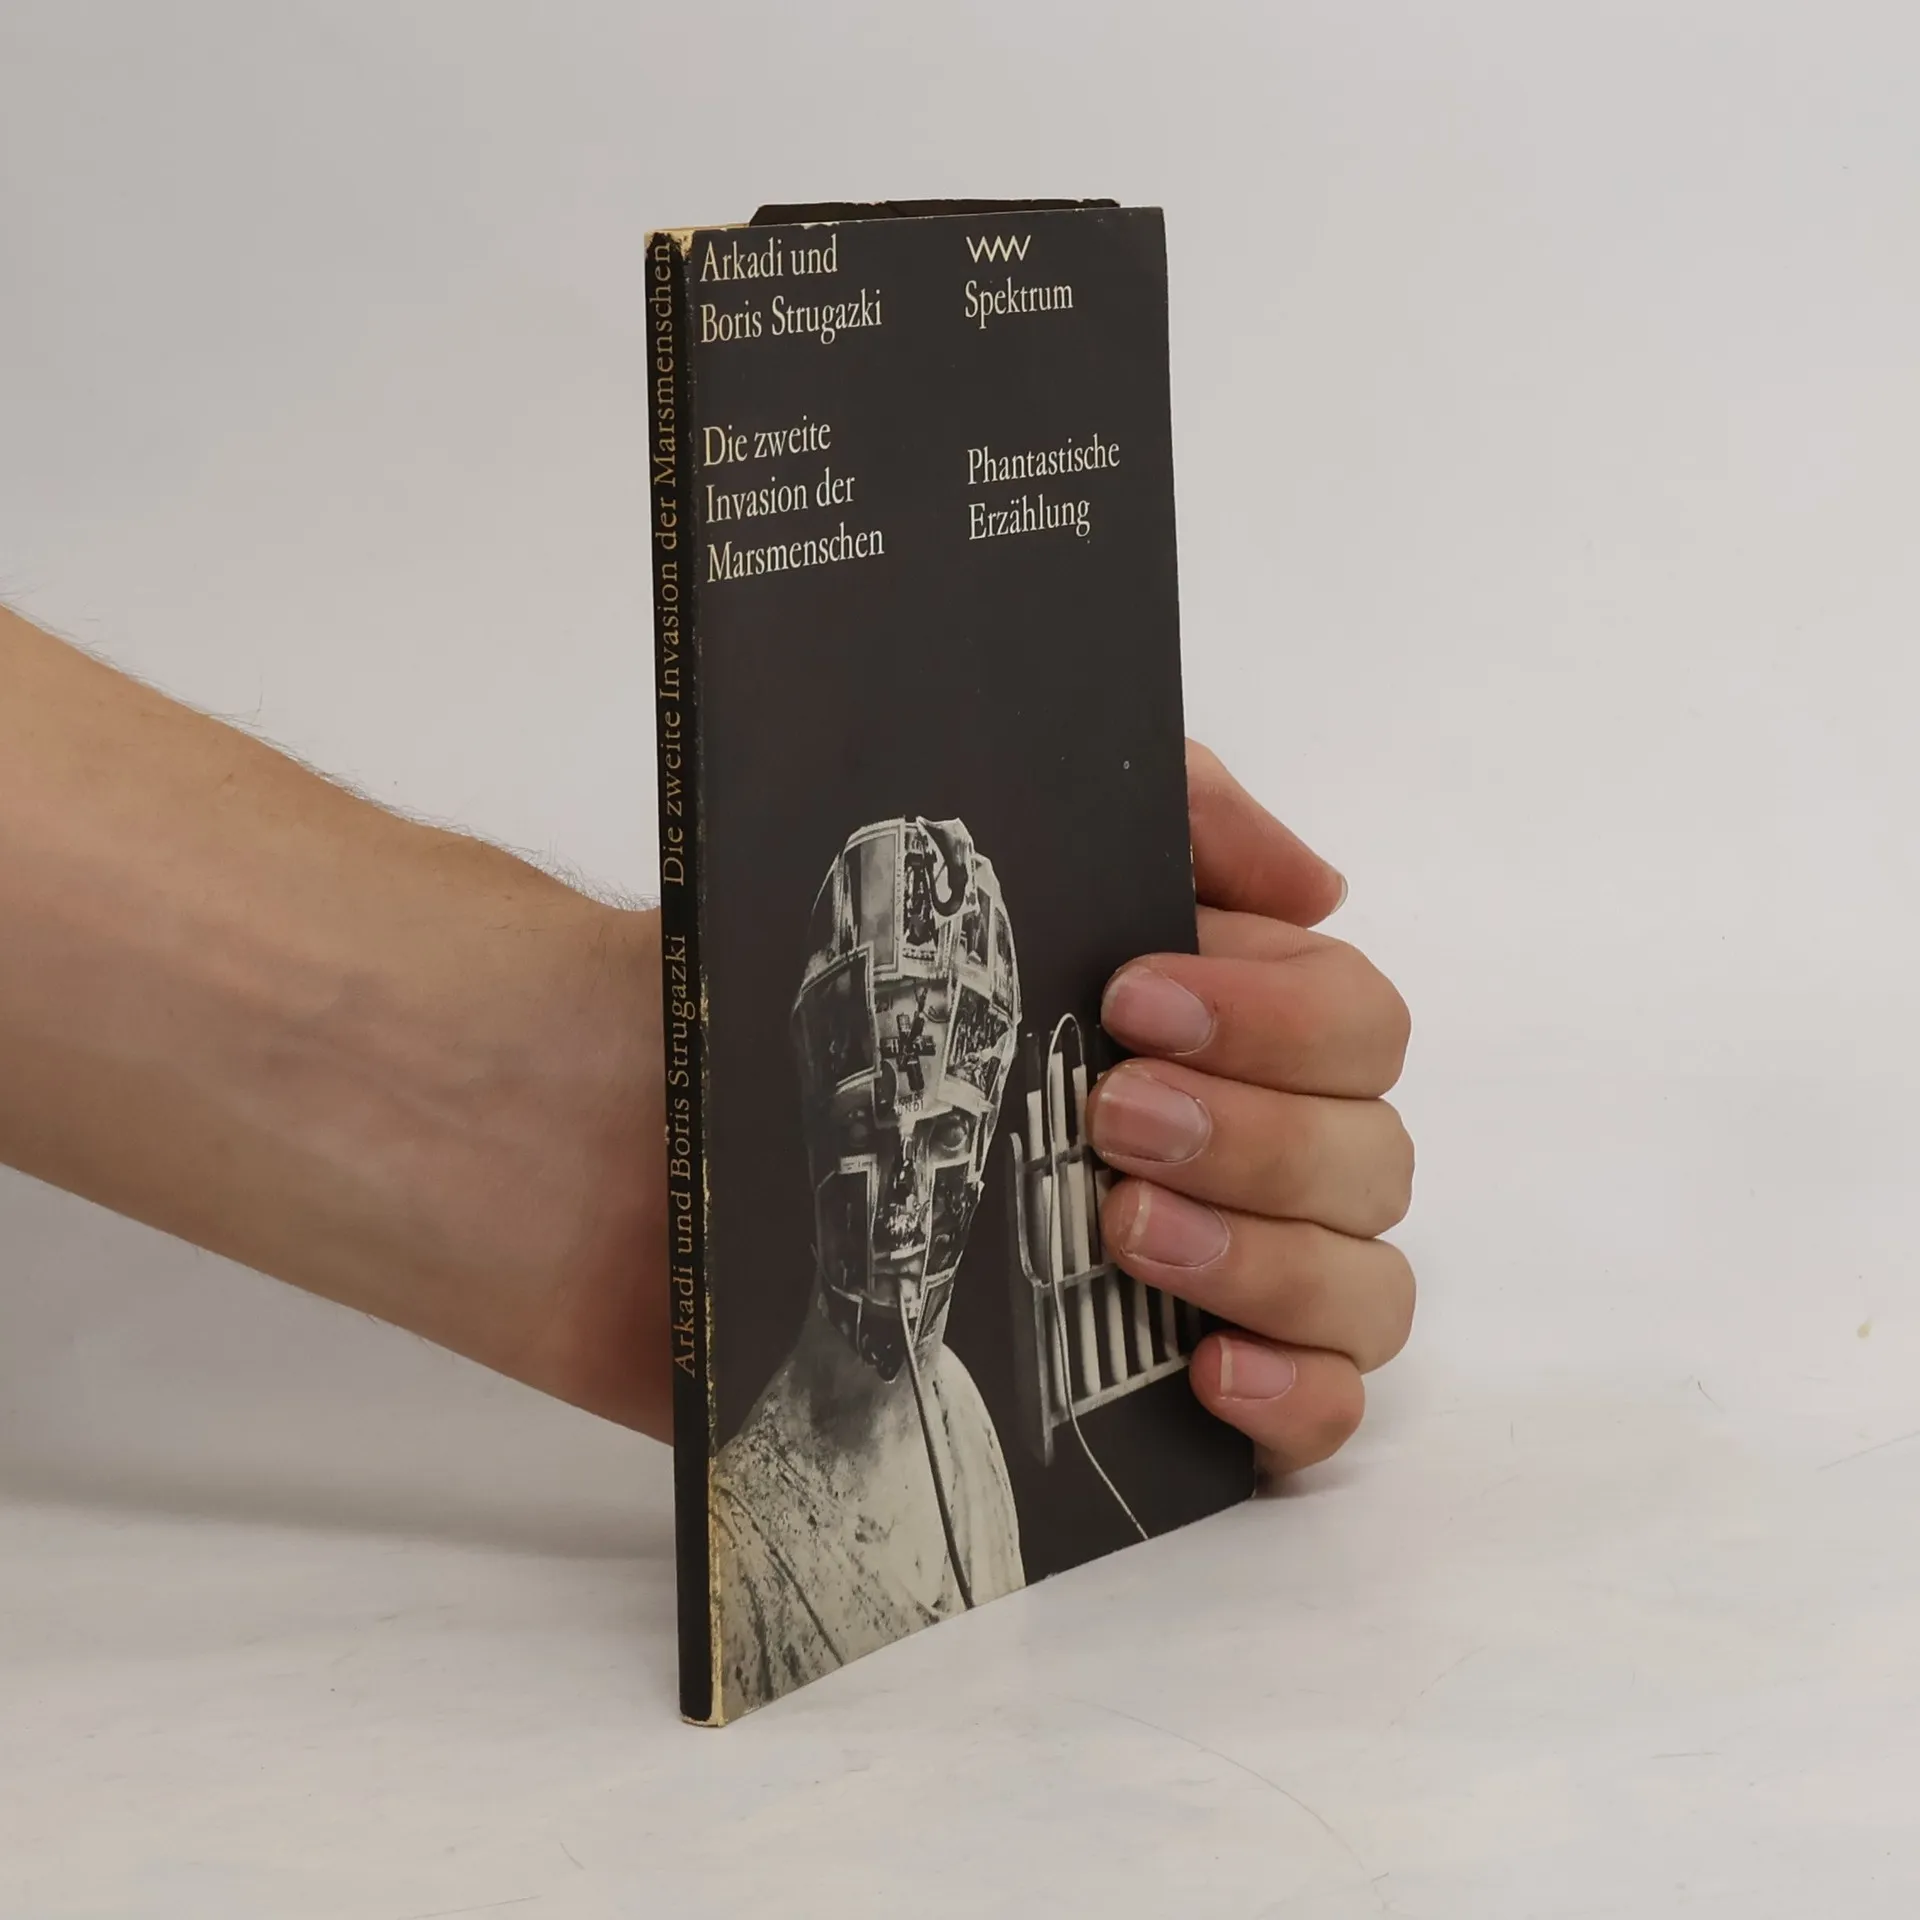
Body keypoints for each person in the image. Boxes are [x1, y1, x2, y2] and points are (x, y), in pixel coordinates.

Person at [0, 601, 1415, 1485]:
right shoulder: (816, 1456)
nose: (917, 1191)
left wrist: (605, 1099)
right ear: (812, 1064)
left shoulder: (970, 1439)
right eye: (884, 1088)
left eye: (954, 1117)